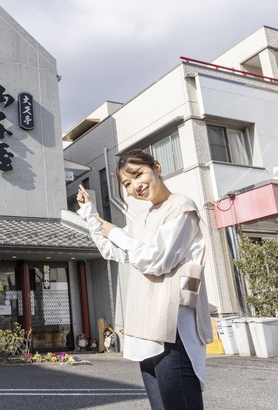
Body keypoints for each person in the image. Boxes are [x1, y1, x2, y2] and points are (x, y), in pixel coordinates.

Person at [76, 149, 213, 410]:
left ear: (157, 168)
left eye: (138, 174)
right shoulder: (141, 219)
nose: (135, 186)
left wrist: (116, 232)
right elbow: (111, 249)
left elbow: (158, 260)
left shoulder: (182, 208)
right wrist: (89, 214)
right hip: (146, 327)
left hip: (174, 328)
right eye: (127, 183)